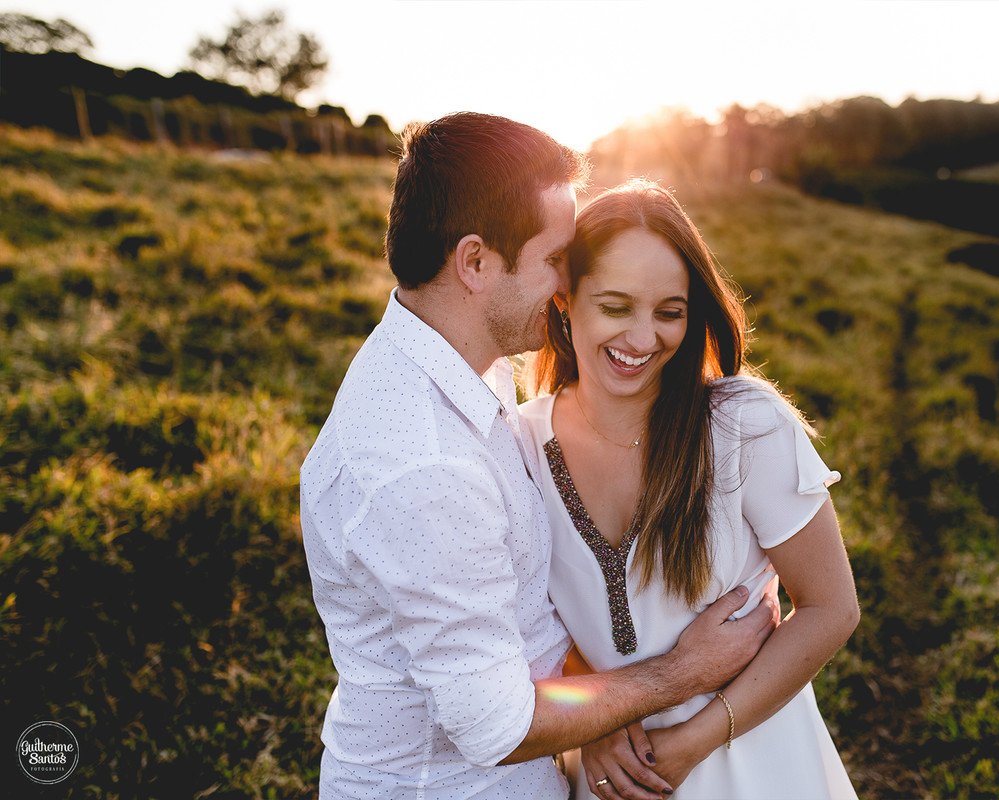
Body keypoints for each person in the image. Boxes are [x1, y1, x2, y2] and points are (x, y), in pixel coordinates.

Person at [299, 113, 777, 800]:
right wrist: (680, 675)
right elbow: (497, 727)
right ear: (475, 263)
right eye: (555, 260)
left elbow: (519, 617)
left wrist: (591, 709)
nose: (565, 285)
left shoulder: (462, 364)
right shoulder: (424, 464)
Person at [521, 179, 861, 800]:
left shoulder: (743, 426)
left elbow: (830, 609)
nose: (643, 339)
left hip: (755, 768)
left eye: (669, 312)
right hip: (610, 777)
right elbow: (533, 626)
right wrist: (591, 723)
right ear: (565, 302)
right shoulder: (519, 446)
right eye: (617, 307)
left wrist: (695, 740)